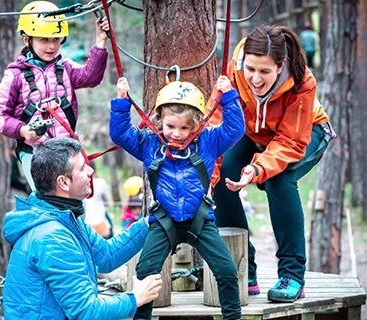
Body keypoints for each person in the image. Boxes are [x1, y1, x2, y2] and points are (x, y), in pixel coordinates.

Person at [205, 24, 335, 303]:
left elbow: (290, 142)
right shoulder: (236, 70)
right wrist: (207, 172)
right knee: (224, 176)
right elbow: (217, 123)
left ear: (281, 65)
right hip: (255, 132)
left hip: (305, 132)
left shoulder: (302, 81)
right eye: (251, 69)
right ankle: (244, 265)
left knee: (278, 178)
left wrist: (256, 169)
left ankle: (292, 275)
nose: (255, 78)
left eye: (264, 71)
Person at [110, 76, 245, 319]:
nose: (177, 134)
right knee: (145, 271)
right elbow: (121, 135)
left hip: (200, 219)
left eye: (185, 128)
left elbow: (235, 130)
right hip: (164, 221)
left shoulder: (208, 141)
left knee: (226, 270)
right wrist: (122, 102)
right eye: (171, 126)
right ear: (160, 120)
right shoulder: (149, 144)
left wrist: (229, 97)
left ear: (196, 126)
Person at [2, 137, 162, 319]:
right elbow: (86, 312)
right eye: (82, 167)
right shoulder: (53, 238)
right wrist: (136, 298)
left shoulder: (64, 218)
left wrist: (147, 223)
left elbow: (108, 255)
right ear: (63, 182)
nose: (91, 170)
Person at [0, 1, 110, 190]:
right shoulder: (15, 75)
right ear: (26, 39)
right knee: (48, 200)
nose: (51, 46)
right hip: (34, 151)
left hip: (67, 150)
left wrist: (100, 42)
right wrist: (23, 130)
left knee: (77, 201)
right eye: (44, 40)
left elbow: (91, 77)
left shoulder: (65, 68)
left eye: (56, 39)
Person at [84, 162, 114, 238]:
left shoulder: (80, 184)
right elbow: (107, 201)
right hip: (100, 221)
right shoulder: (100, 182)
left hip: (87, 223)